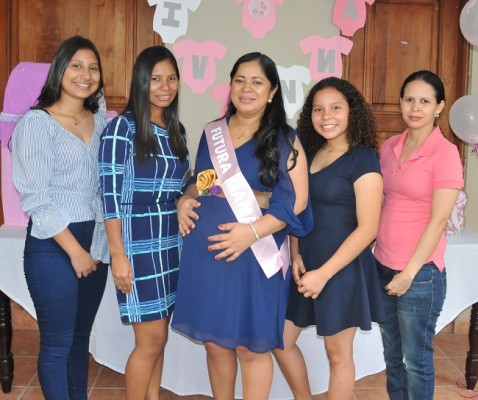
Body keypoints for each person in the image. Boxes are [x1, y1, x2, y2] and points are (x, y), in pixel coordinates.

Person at [170, 52, 311, 400]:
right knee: (216, 345)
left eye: (257, 82)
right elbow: (204, 182)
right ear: (230, 85)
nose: (247, 89)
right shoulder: (211, 133)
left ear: (273, 91)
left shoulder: (285, 139)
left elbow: (296, 203)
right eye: (240, 80)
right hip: (208, 256)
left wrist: (250, 233)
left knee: (252, 347)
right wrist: (185, 198)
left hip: (256, 258)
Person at [273, 77, 386, 400]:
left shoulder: (363, 158)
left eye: (336, 108)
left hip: (342, 271)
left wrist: (324, 273)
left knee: (339, 356)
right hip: (305, 265)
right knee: (280, 339)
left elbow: (368, 229)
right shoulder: (308, 152)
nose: (327, 116)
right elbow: (298, 208)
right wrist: (295, 253)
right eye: (319, 109)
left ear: (352, 112)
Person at [11, 36, 109, 400]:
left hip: (93, 245)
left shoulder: (101, 123)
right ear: (59, 70)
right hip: (53, 246)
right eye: (77, 66)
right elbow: (36, 198)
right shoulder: (37, 123)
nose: (86, 75)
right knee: (57, 343)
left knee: (80, 339)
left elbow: (105, 192)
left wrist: (96, 248)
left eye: (93, 67)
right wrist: (75, 251)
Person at [98, 45, 190, 400]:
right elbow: (110, 197)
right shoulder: (122, 128)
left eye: (171, 78)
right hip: (135, 245)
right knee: (149, 340)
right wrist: (118, 255)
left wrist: (191, 192)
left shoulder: (176, 128)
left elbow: (183, 183)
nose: (165, 87)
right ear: (141, 81)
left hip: (170, 244)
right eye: (155, 79)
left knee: (159, 338)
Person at [374, 70, 463, 400]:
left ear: (439, 107)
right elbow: (381, 201)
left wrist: (408, 274)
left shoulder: (445, 153)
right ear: (400, 102)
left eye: (425, 101)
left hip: (419, 274)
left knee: (416, 362)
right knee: (392, 359)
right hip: (382, 265)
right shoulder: (389, 146)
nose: (415, 107)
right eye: (409, 99)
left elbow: (439, 220)